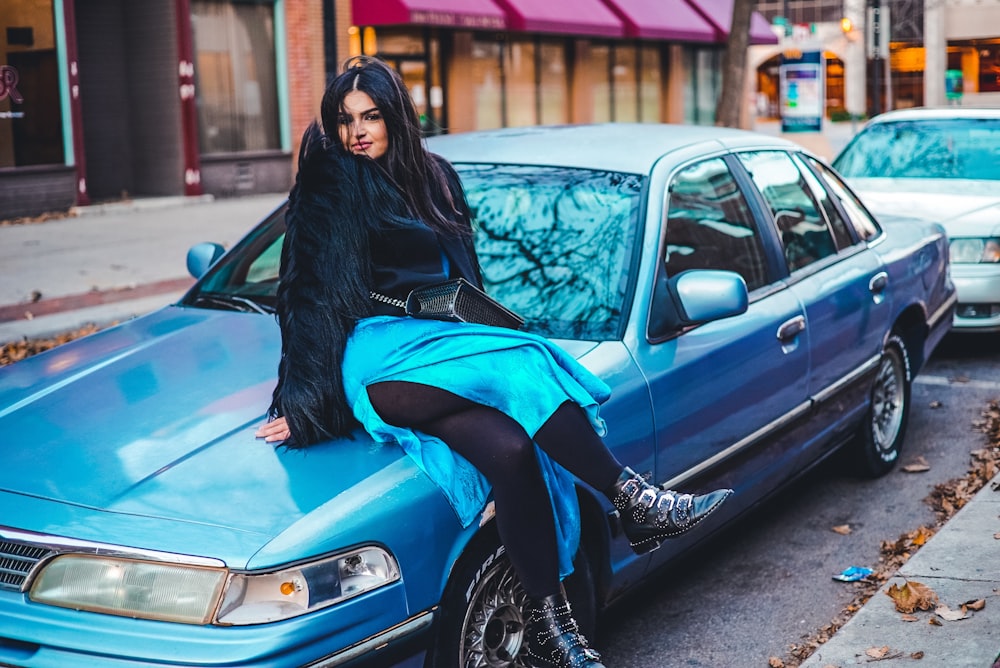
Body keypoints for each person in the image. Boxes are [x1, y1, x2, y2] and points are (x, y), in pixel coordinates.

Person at [256, 56, 732, 668]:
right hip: (378, 358)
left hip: (445, 349)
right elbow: (306, 294)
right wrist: (302, 406)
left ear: (396, 116)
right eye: (346, 121)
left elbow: (465, 278)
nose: (359, 132)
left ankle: (549, 627)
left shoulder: (435, 179)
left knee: (512, 452)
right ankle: (632, 498)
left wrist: (482, 331)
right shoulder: (332, 187)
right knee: (524, 360)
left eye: (371, 116)